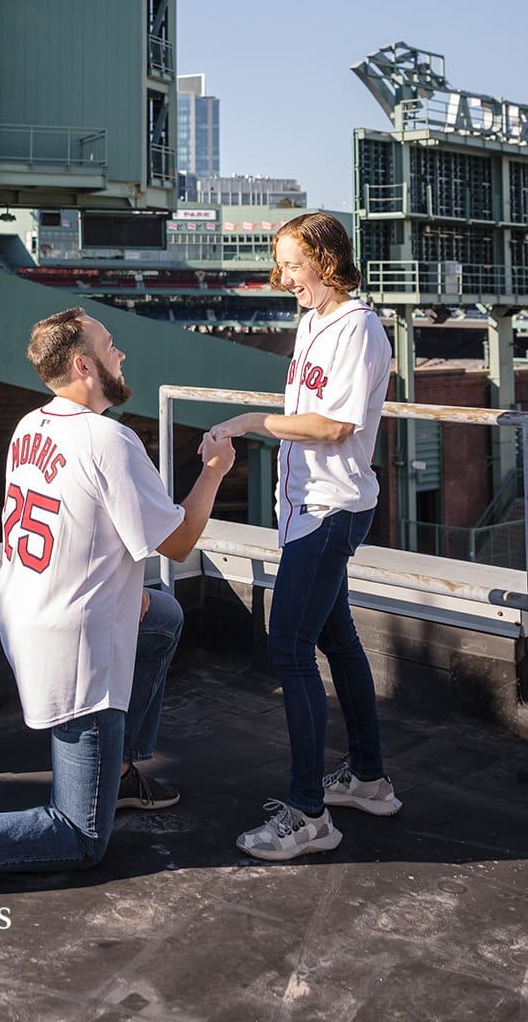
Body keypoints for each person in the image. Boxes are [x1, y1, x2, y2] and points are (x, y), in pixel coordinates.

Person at [0, 306, 235, 903]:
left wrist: (126, 593)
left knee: (163, 617)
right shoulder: (111, 438)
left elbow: (85, 528)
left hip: (24, 612)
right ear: (84, 365)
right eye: (110, 345)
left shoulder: (30, 426)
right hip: (76, 647)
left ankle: (122, 771)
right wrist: (212, 471)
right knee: (80, 835)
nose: (121, 353)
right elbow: (178, 542)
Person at [206, 212, 402, 862]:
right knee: (335, 638)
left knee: (288, 646)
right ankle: (368, 781)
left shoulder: (358, 327)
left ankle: (308, 815)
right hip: (301, 512)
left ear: (323, 259)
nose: (282, 277)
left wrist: (251, 421)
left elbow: (334, 426)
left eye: (291, 263)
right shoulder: (311, 322)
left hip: (329, 511)